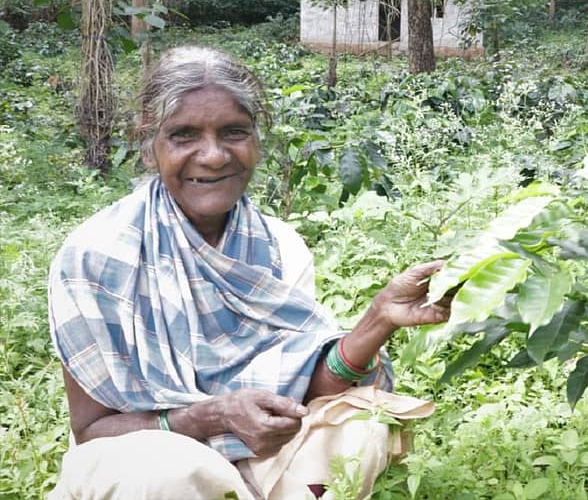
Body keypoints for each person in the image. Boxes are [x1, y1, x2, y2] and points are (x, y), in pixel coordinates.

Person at [47, 46, 452, 500]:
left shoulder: (279, 247)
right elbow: (92, 429)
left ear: (256, 140)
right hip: (143, 454)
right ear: (149, 145)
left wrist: (379, 319)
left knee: (358, 428)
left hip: (262, 448)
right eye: (183, 135)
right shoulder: (97, 256)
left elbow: (302, 389)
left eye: (233, 132)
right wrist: (212, 417)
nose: (214, 156)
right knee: (169, 473)